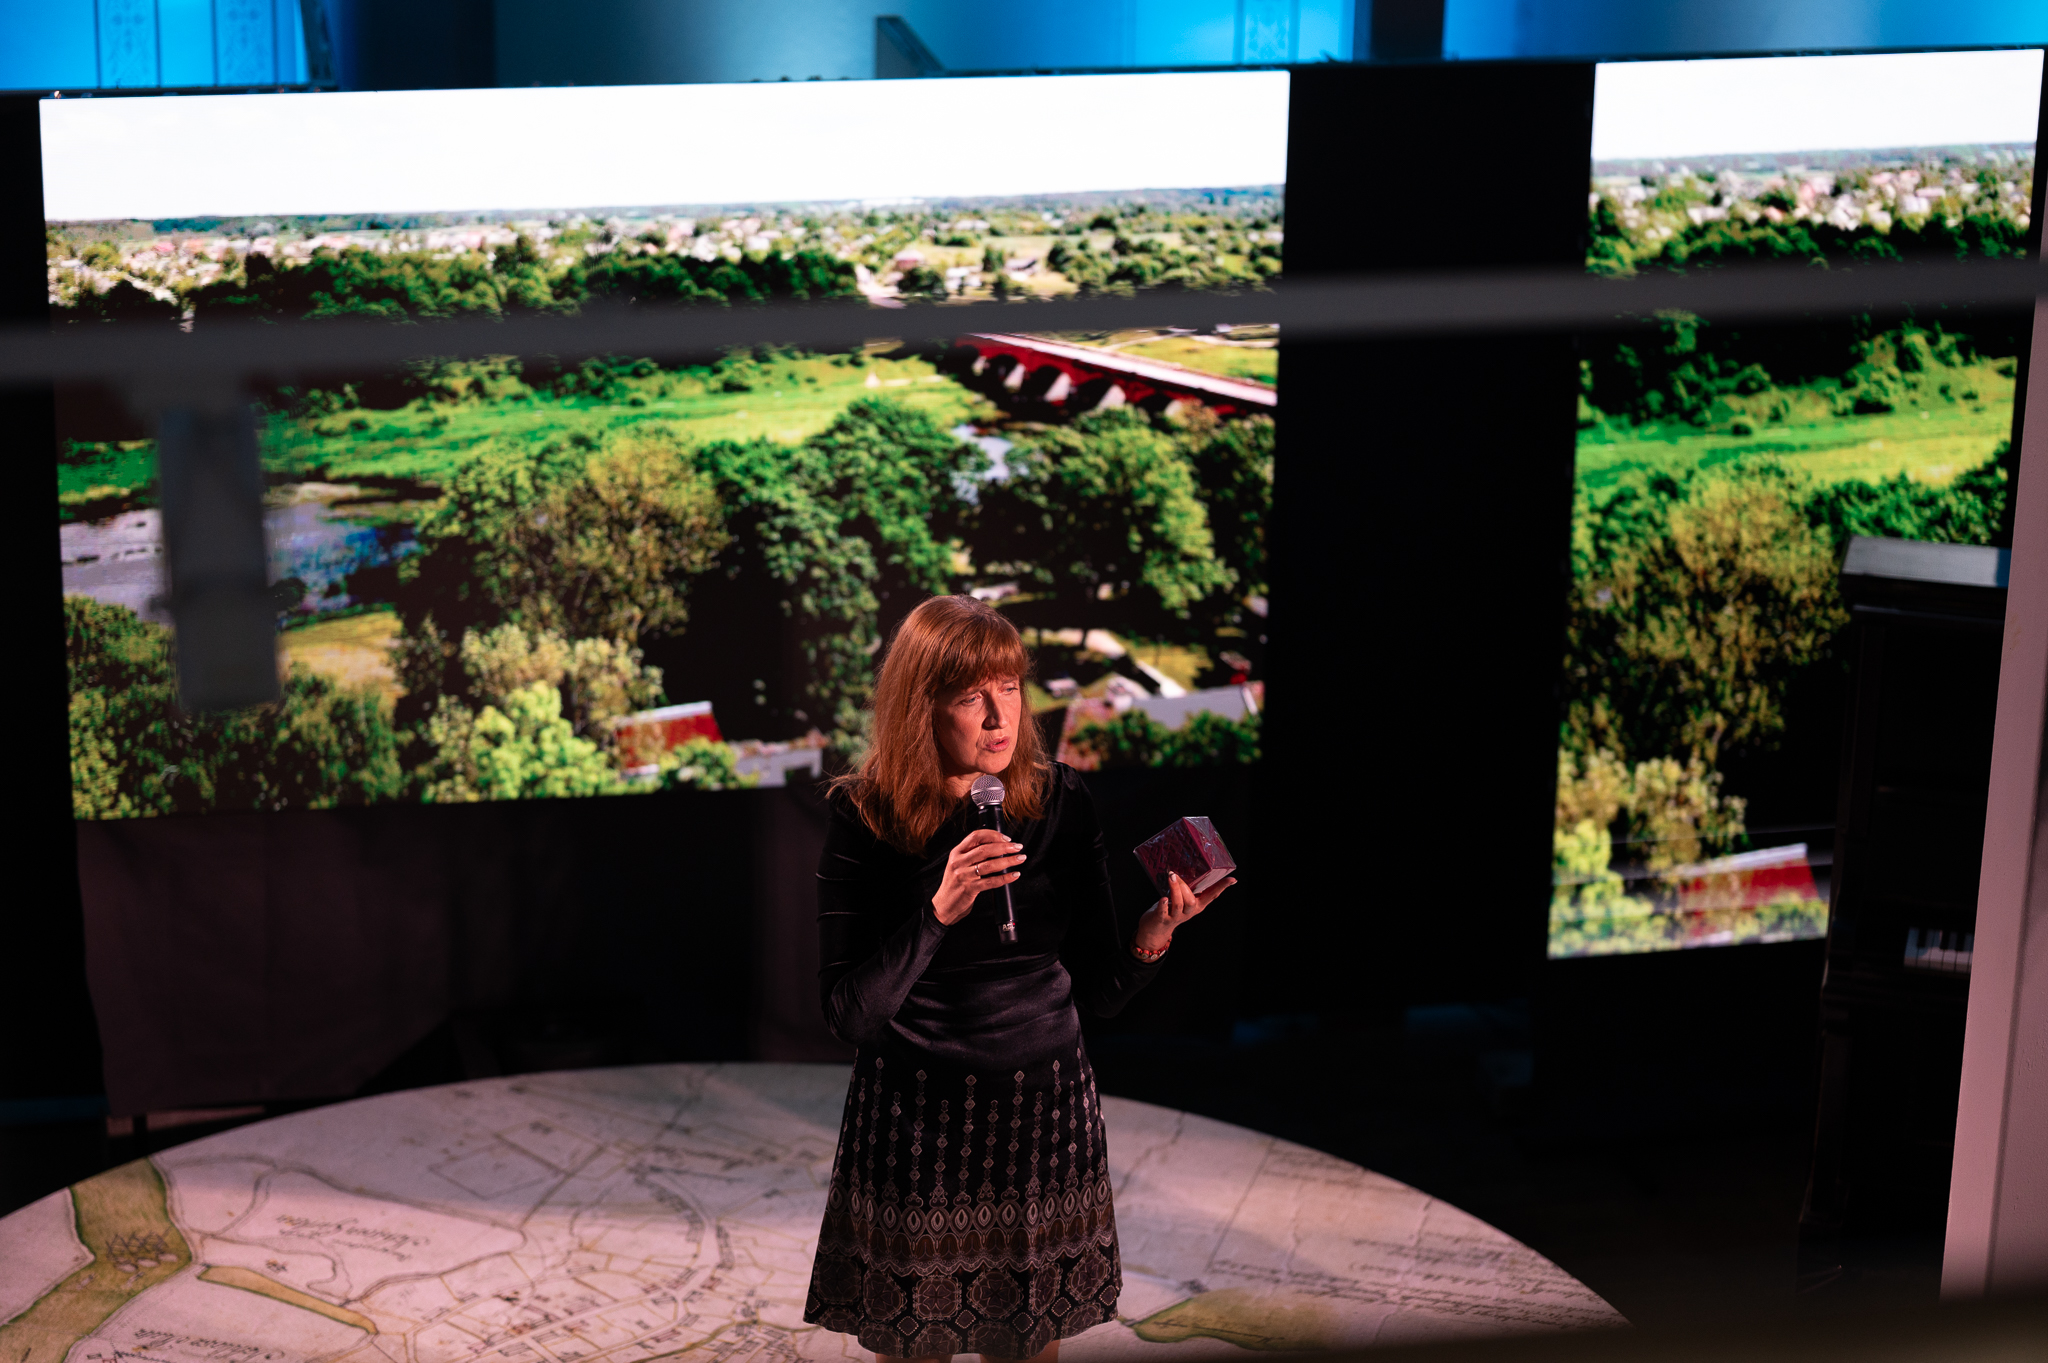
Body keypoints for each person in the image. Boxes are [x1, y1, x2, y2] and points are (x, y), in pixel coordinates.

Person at [802, 594, 1237, 1363]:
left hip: (1042, 1119)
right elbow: (850, 1016)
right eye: (971, 696)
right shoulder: (864, 814)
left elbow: (1099, 991)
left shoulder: (1061, 799)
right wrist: (938, 911)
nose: (1000, 716)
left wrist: (1152, 935)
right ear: (922, 706)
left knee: (1026, 1345)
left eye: (1009, 687)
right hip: (916, 1120)